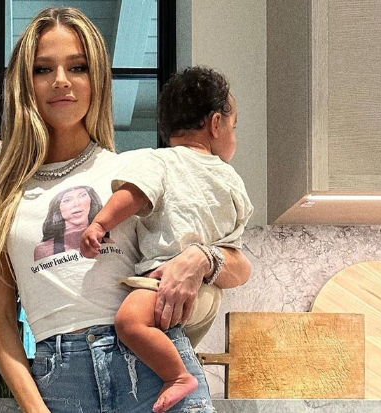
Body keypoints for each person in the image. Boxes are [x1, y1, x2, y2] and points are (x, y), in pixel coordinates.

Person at [0, 8, 251, 413]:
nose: (61, 80)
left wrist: (201, 258)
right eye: (43, 69)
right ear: (24, 83)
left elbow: (239, 267)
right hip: (63, 381)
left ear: (96, 79)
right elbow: (2, 328)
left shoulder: (139, 169)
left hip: (154, 368)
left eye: (77, 67)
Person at [80, 66, 254, 412]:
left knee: (128, 323)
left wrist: (99, 223)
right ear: (215, 124)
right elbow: (235, 245)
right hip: (207, 292)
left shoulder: (159, 161)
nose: (233, 135)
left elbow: (132, 195)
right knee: (173, 336)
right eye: (234, 127)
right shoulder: (232, 179)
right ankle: (178, 368)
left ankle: (177, 377)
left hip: (162, 284)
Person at [34, 186, 103, 260]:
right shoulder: (44, 250)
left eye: (82, 196)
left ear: (91, 200)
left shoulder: (107, 240)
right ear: (57, 207)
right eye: (67, 200)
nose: (76, 204)